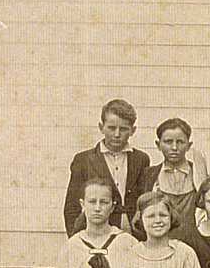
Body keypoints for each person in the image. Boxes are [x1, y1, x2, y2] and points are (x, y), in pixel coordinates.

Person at [63, 99, 151, 238]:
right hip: (97, 233)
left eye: (123, 129)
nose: (117, 134)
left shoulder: (141, 159)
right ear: (101, 127)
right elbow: (72, 206)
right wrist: (77, 240)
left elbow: (144, 200)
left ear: (133, 130)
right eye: (111, 128)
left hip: (133, 233)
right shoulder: (84, 160)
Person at [142, 118, 204, 236]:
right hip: (159, 240)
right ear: (158, 145)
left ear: (189, 145)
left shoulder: (199, 173)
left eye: (180, 142)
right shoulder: (148, 175)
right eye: (168, 142)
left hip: (194, 241)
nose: (174, 147)